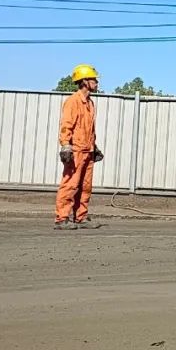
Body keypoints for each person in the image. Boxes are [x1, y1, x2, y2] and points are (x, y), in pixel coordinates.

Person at [55, 64, 104, 230]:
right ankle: (62, 219)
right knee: (70, 185)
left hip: (87, 150)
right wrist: (65, 145)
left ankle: (80, 217)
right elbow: (66, 125)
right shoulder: (73, 102)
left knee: (85, 186)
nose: (97, 82)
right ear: (84, 81)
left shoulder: (90, 103)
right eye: (94, 79)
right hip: (75, 150)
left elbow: (89, 129)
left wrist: (94, 146)